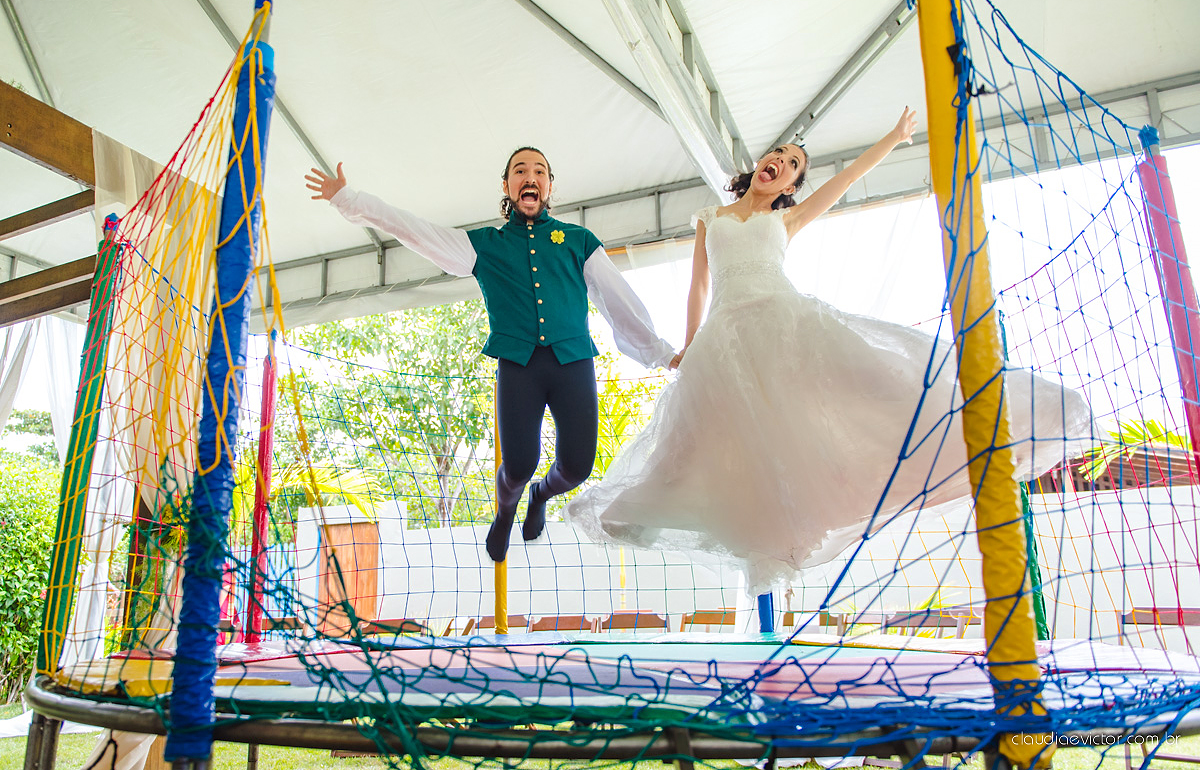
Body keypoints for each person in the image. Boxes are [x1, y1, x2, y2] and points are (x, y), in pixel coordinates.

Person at [565, 109, 1094, 594]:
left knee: (879, 378)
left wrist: (891, 137)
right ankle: (643, 510)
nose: (781, 163)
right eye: (778, 155)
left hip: (784, 323)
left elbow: (848, 179)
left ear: (793, 186)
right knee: (704, 434)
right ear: (759, 165)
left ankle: (982, 424)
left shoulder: (786, 220)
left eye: (793, 165)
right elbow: (698, 286)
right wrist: (689, 343)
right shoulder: (712, 216)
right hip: (726, 338)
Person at [305, 148, 675, 562]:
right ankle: (505, 509)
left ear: (550, 186)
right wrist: (350, 199)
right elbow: (414, 230)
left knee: (577, 467)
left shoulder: (578, 241)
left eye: (539, 171)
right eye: (520, 171)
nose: (529, 177)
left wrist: (661, 353)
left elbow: (617, 300)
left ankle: (540, 494)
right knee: (517, 464)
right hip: (519, 366)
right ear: (507, 186)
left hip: (573, 362)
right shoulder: (483, 245)